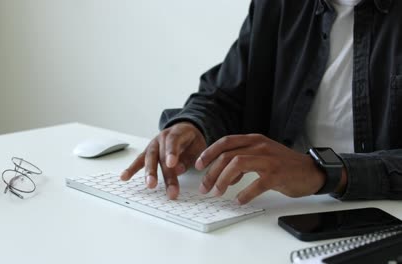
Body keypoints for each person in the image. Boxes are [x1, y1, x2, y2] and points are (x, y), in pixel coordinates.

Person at [121, 0, 402, 204]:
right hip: (277, 209)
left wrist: (322, 172)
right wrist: (193, 125)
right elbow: (227, 94)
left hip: (383, 215)